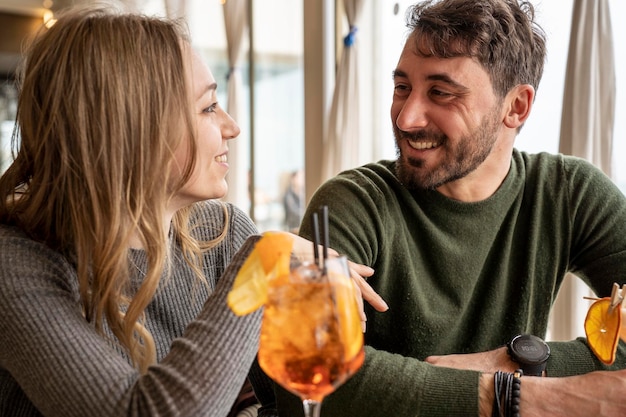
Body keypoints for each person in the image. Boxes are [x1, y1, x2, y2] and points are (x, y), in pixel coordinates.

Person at [0, 5, 384, 417]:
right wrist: (261, 264)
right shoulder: (17, 264)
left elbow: (272, 403)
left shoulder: (221, 232)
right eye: (207, 107)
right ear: (133, 128)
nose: (232, 126)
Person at [266, 0, 626, 416]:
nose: (406, 118)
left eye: (441, 92)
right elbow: (305, 383)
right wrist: (508, 396)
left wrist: (517, 362)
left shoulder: (568, 193)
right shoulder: (353, 202)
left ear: (516, 107)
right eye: (402, 87)